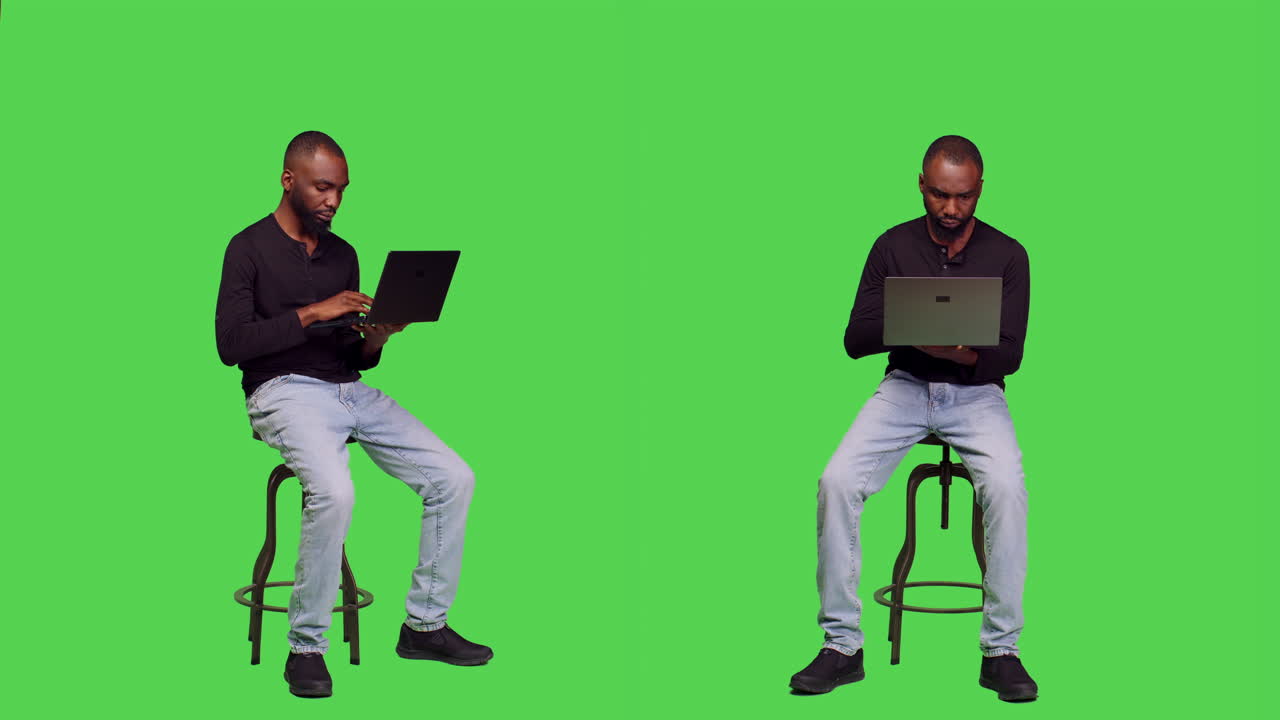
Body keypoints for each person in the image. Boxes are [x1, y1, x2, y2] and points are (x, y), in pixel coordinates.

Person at [216, 131, 491, 698]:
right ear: (289, 180)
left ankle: (424, 627)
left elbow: (351, 355)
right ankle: (306, 648)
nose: (333, 201)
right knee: (336, 492)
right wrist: (316, 311)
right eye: (323, 187)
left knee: (453, 476)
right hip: (281, 391)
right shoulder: (246, 248)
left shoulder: (343, 254)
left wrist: (378, 338)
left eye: (341, 190)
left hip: (346, 388)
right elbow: (231, 344)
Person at [789, 136, 1037, 702]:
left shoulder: (1010, 255)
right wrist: (909, 326)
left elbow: (1011, 354)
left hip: (977, 393)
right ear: (921, 186)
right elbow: (854, 339)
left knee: (1006, 486)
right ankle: (842, 646)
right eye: (940, 195)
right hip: (904, 386)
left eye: (964, 197)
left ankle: (1002, 652)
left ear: (980, 190)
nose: (951, 210)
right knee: (835, 481)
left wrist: (962, 353)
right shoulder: (891, 246)